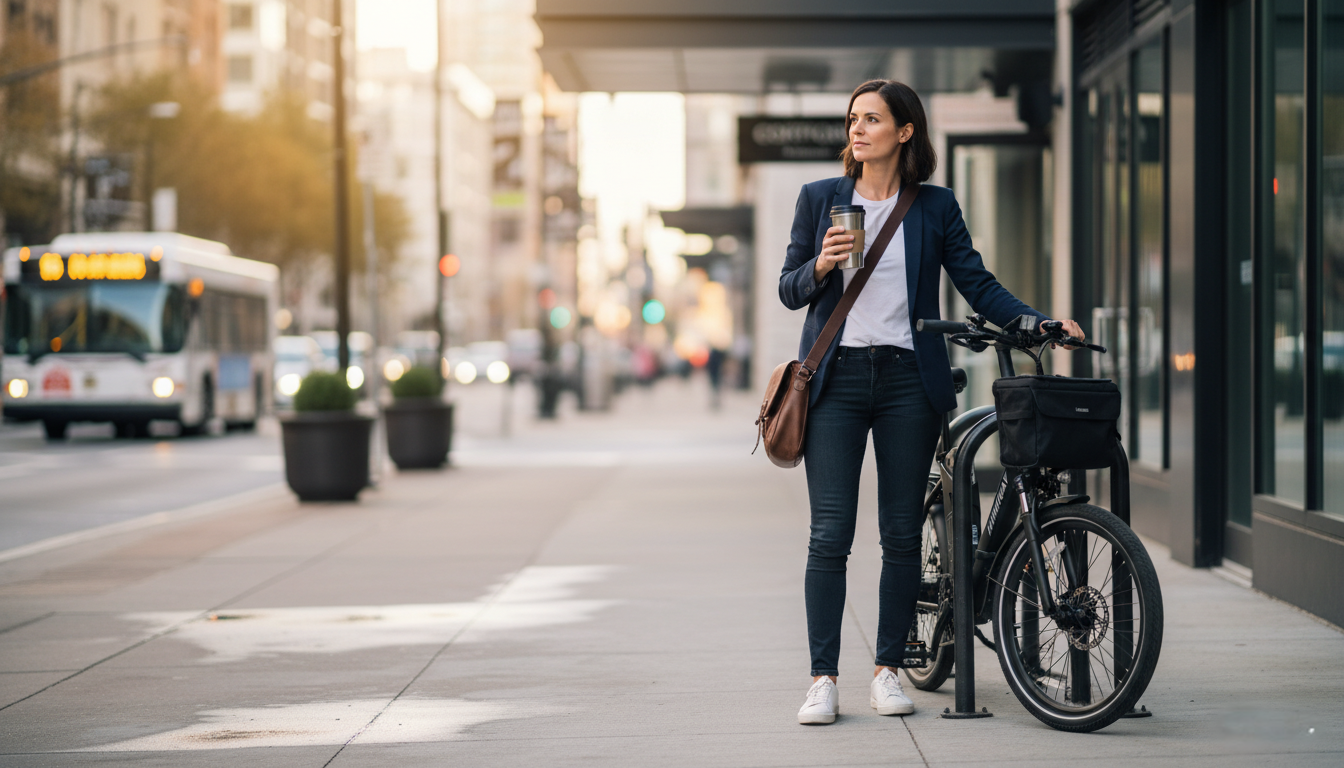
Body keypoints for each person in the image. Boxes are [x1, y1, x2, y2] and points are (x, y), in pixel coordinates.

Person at [778, 79, 1085, 725]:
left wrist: (1037, 323)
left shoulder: (934, 206)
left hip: (905, 385)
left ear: (905, 130)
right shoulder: (820, 200)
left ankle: (889, 671)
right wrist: (822, 268)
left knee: (899, 535)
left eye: (871, 119)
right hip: (834, 382)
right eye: (852, 119)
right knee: (829, 534)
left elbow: (976, 281)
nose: (856, 130)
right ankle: (823, 679)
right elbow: (789, 289)